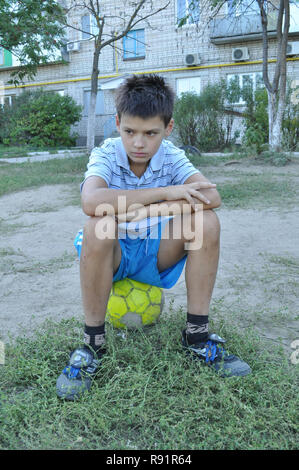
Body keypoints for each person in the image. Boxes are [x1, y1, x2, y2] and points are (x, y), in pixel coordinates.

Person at [56, 74, 251, 400]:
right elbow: (91, 202)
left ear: (168, 128)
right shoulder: (106, 153)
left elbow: (211, 197)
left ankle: (197, 338)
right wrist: (165, 192)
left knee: (207, 222)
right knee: (97, 226)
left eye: (151, 133)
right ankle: (93, 344)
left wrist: (148, 211)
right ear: (117, 123)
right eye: (130, 131)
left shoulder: (171, 155)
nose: (139, 143)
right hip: (113, 252)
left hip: (155, 250)